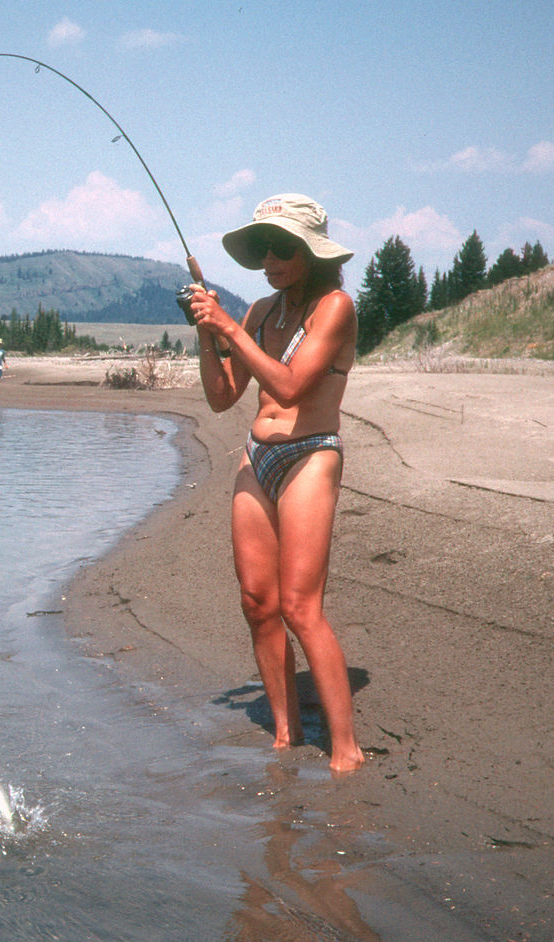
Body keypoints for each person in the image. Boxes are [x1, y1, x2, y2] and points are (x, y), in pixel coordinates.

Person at [185, 193, 364, 773]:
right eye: (265, 248)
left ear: (312, 253)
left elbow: (289, 388)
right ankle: (285, 735)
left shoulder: (335, 307)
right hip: (256, 456)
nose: (270, 259)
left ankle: (346, 749)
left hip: (311, 455)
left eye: (283, 247)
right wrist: (207, 332)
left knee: (299, 605)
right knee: (258, 604)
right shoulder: (262, 311)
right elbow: (220, 398)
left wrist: (229, 330)